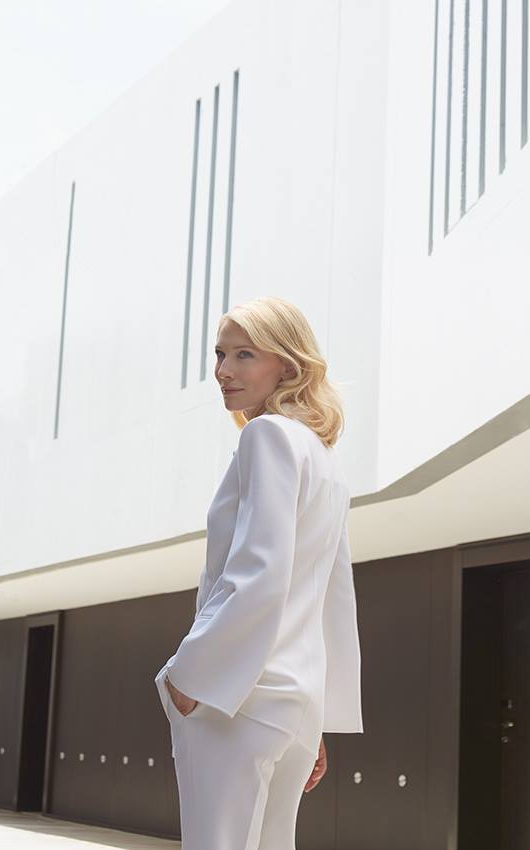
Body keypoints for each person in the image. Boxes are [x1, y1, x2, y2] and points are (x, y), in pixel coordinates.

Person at [154, 296, 363, 850]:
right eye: (220, 354)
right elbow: (331, 598)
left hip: (235, 696)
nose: (223, 371)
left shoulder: (266, 437)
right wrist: (317, 717)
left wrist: (188, 675)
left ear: (289, 366)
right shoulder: (323, 459)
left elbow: (257, 570)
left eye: (245, 355)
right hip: (292, 705)